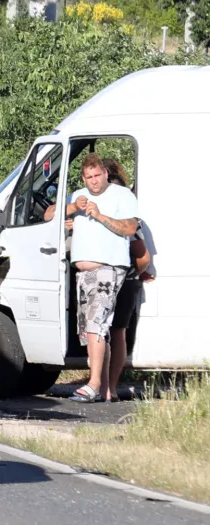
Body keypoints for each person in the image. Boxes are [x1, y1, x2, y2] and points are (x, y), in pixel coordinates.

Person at [65, 153, 139, 403]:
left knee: (99, 325)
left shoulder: (121, 195)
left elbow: (130, 228)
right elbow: (48, 214)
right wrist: (74, 209)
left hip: (108, 270)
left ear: (106, 173)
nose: (94, 181)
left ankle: (94, 383)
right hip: (84, 274)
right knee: (93, 330)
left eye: (97, 175)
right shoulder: (77, 196)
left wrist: (99, 216)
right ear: (83, 178)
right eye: (89, 177)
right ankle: (105, 388)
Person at [100, 158, 153, 402]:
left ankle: (106, 387)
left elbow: (142, 254)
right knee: (111, 332)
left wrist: (136, 271)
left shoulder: (125, 220)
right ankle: (106, 386)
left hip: (119, 279)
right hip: (119, 278)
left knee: (110, 332)